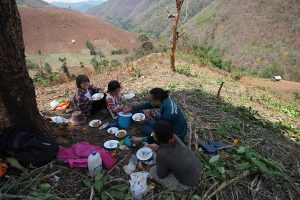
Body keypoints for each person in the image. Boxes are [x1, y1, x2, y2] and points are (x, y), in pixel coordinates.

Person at [147, 120, 201, 191]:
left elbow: (161, 175)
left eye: (154, 132)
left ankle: (180, 187)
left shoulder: (162, 154)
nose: (153, 133)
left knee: (152, 171)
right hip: (197, 168)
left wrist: (159, 157)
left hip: (187, 183)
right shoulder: (173, 137)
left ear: (157, 136)